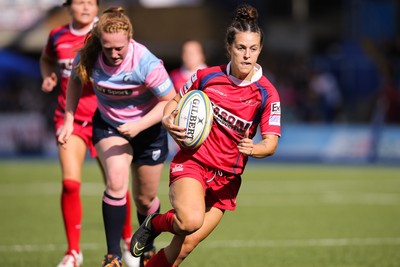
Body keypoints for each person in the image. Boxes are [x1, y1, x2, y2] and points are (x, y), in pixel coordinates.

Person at [129, 3, 281, 267]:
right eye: (241, 48)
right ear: (229, 47)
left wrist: (254, 149)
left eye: (253, 49)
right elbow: (175, 101)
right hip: (194, 163)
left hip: (227, 180)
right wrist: (167, 117)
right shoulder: (206, 77)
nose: (247, 55)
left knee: (185, 246)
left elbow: (270, 144)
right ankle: (154, 222)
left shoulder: (266, 93)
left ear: (260, 50)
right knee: (189, 221)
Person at [57, 6, 176, 267]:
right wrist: (68, 120)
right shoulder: (88, 55)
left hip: (149, 129)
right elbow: (75, 81)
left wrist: (140, 124)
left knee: (145, 200)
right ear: (100, 42)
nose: (114, 54)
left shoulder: (146, 62)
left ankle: (147, 245)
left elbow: (171, 101)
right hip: (109, 126)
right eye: (108, 48)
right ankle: (112, 257)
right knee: (116, 181)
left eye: (119, 48)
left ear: (130, 40)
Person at [40, 1, 137, 267]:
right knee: (70, 183)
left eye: (90, 2)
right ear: (68, 6)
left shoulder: (107, 34)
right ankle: (73, 252)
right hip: (70, 119)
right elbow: (47, 59)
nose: (85, 7)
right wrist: (48, 75)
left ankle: (129, 242)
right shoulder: (57, 35)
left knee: (117, 183)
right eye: (79, 2)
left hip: (106, 121)